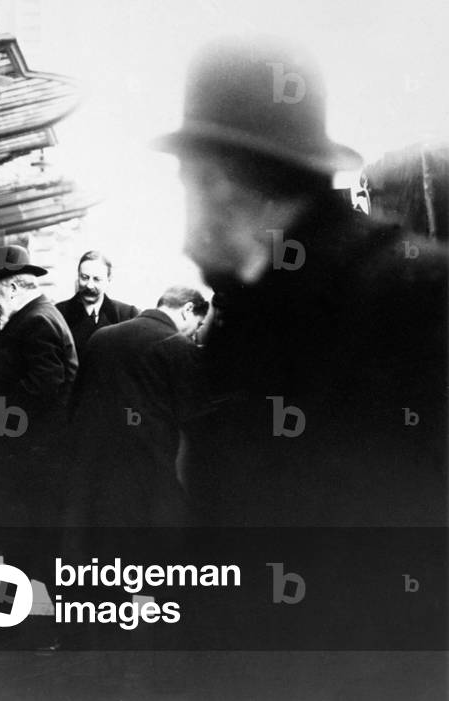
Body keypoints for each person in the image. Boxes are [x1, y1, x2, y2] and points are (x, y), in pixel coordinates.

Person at [152, 35, 448, 529]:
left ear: (216, 181)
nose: (186, 242)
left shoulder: (404, 300)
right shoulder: (270, 308)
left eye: (186, 180)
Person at [0, 245, 78, 584]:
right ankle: (9, 619)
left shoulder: (36, 321)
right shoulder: (32, 317)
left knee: (24, 544)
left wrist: (0, 419)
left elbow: (44, 386)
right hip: (29, 454)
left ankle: (47, 625)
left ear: (14, 287)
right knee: (18, 544)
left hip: (34, 457)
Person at [66, 286, 208, 528]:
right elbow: (194, 421)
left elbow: (76, 405)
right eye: (198, 324)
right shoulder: (178, 347)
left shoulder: (101, 337)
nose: (195, 332)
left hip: (96, 480)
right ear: (187, 310)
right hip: (150, 483)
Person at [55, 251, 140, 356]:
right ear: (78, 277)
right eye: (84, 277)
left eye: (97, 279)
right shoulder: (58, 314)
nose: (89, 285)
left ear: (109, 280)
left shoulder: (127, 315)